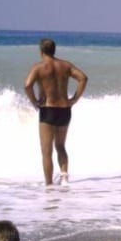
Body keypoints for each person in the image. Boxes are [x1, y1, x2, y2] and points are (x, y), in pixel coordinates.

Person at [24, 38, 88, 186]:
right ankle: (64, 177)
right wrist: (74, 99)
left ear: (41, 51)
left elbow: (27, 85)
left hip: (48, 110)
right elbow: (83, 78)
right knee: (60, 146)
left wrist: (34, 102)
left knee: (46, 151)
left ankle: (48, 185)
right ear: (54, 50)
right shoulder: (65, 65)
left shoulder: (38, 67)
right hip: (65, 110)